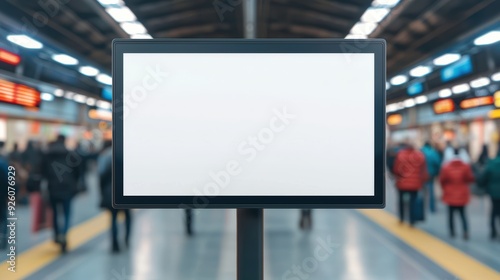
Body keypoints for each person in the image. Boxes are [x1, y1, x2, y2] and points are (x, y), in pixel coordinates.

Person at [42, 135, 80, 253]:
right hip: (67, 188)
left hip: (52, 188)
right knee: (67, 213)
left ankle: (57, 234)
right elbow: (77, 172)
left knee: (54, 213)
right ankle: (64, 234)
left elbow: (43, 172)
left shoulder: (47, 155)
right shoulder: (70, 154)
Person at [98, 140, 131, 252]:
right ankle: (127, 238)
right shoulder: (126, 154)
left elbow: (101, 176)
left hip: (111, 192)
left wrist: (102, 193)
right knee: (128, 215)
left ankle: (114, 243)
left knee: (113, 218)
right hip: (125, 192)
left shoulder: (104, 156)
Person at [439, 148, 474, 240]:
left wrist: (444, 189)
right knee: (463, 214)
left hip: (450, 193)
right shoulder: (465, 167)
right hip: (462, 193)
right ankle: (465, 231)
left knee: (450, 214)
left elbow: (442, 180)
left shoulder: (446, 167)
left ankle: (452, 231)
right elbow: (470, 179)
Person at [393, 140, 428, 226]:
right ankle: (412, 220)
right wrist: (422, 181)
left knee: (401, 200)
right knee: (413, 201)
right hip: (415, 184)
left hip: (402, 183)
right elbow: (423, 171)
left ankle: (401, 218)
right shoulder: (419, 156)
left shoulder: (400, 155)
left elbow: (397, 170)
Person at [479, 147, 500, 240]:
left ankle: (493, 231)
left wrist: (481, 184)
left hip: (493, 193)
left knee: (493, 212)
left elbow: (484, 177)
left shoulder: (492, 163)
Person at [421, 141, 441, 213]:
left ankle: (421, 207)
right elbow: (437, 162)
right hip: (431, 174)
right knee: (431, 191)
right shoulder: (433, 153)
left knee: (421, 191)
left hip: (421, 175)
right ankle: (432, 207)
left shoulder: (420, 152)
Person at [0, 142, 9, 249]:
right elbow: (9, 179)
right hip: (1, 194)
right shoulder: (2, 163)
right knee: (3, 217)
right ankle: (3, 237)